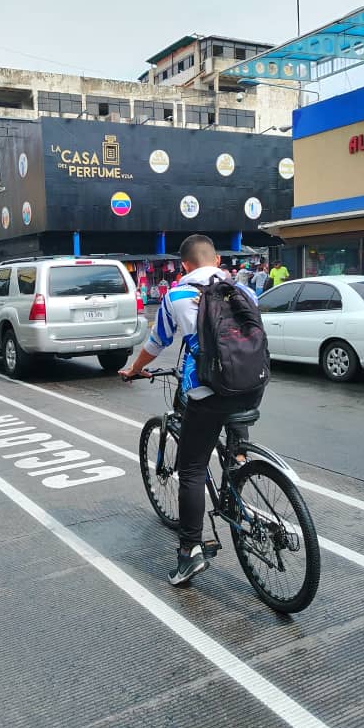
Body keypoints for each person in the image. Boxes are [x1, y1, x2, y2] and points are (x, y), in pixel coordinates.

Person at [120, 234, 264, 586]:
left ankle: (190, 552)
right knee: (233, 440)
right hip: (251, 385)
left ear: (183, 265)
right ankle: (238, 470)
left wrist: (135, 368)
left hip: (209, 391)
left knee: (192, 469)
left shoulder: (176, 296)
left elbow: (156, 343)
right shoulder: (245, 292)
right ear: (217, 260)